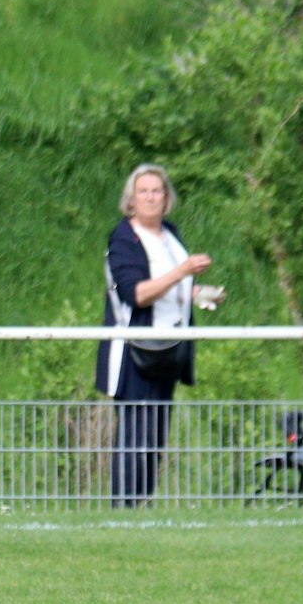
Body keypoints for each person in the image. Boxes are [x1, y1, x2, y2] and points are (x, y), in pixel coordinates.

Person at [95, 164, 217, 507]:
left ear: (166, 198)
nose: (151, 197)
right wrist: (183, 271)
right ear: (131, 200)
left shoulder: (171, 234)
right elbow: (136, 294)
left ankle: (143, 506)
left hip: (169, 349)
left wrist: (196, 293)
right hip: (135, 351)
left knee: (156, 435)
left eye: (157, 191)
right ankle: (124, 509)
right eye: (143, 191)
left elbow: (170, 287)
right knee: (134, 435)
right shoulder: (124, 239)